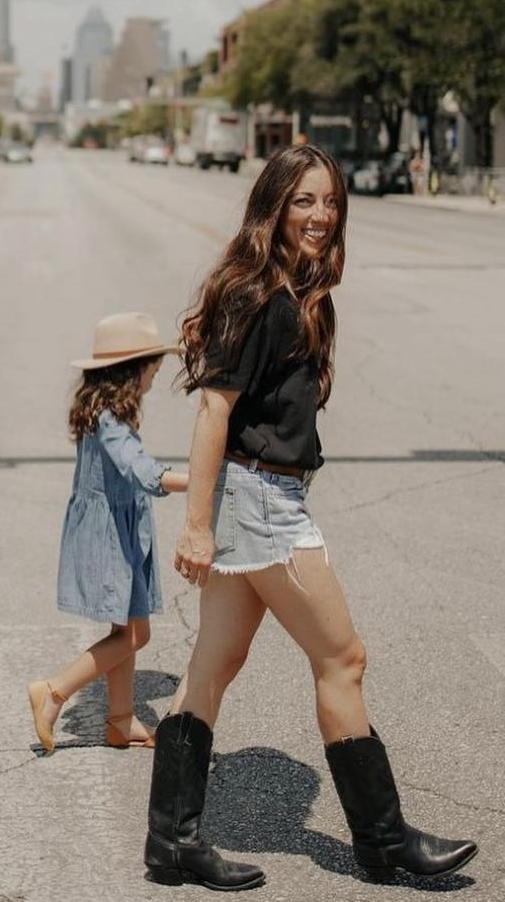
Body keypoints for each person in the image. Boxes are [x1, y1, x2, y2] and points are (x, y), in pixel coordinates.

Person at [143, 145, 477, 891]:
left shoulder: (293, 291)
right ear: (273, 206)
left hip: (259, 495)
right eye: (303, 201)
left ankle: (172, 843)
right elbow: (213, 411)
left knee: (212, 667)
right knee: (343, 659)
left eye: (329, 201)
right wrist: (197, 526)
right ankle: (383, 844)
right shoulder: (257, 294)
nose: (321, 215)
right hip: (262, 503)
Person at [27, 313, 187, 753]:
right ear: (135, 370)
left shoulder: (102, 409)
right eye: (153, 369)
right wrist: (200, 479)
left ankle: (120, 722)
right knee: (135, 634)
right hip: (110, 535)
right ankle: (54, 692)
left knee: (127, 628)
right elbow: (140, 470)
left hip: (121, 528)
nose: (155, 378)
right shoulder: (111, 419)